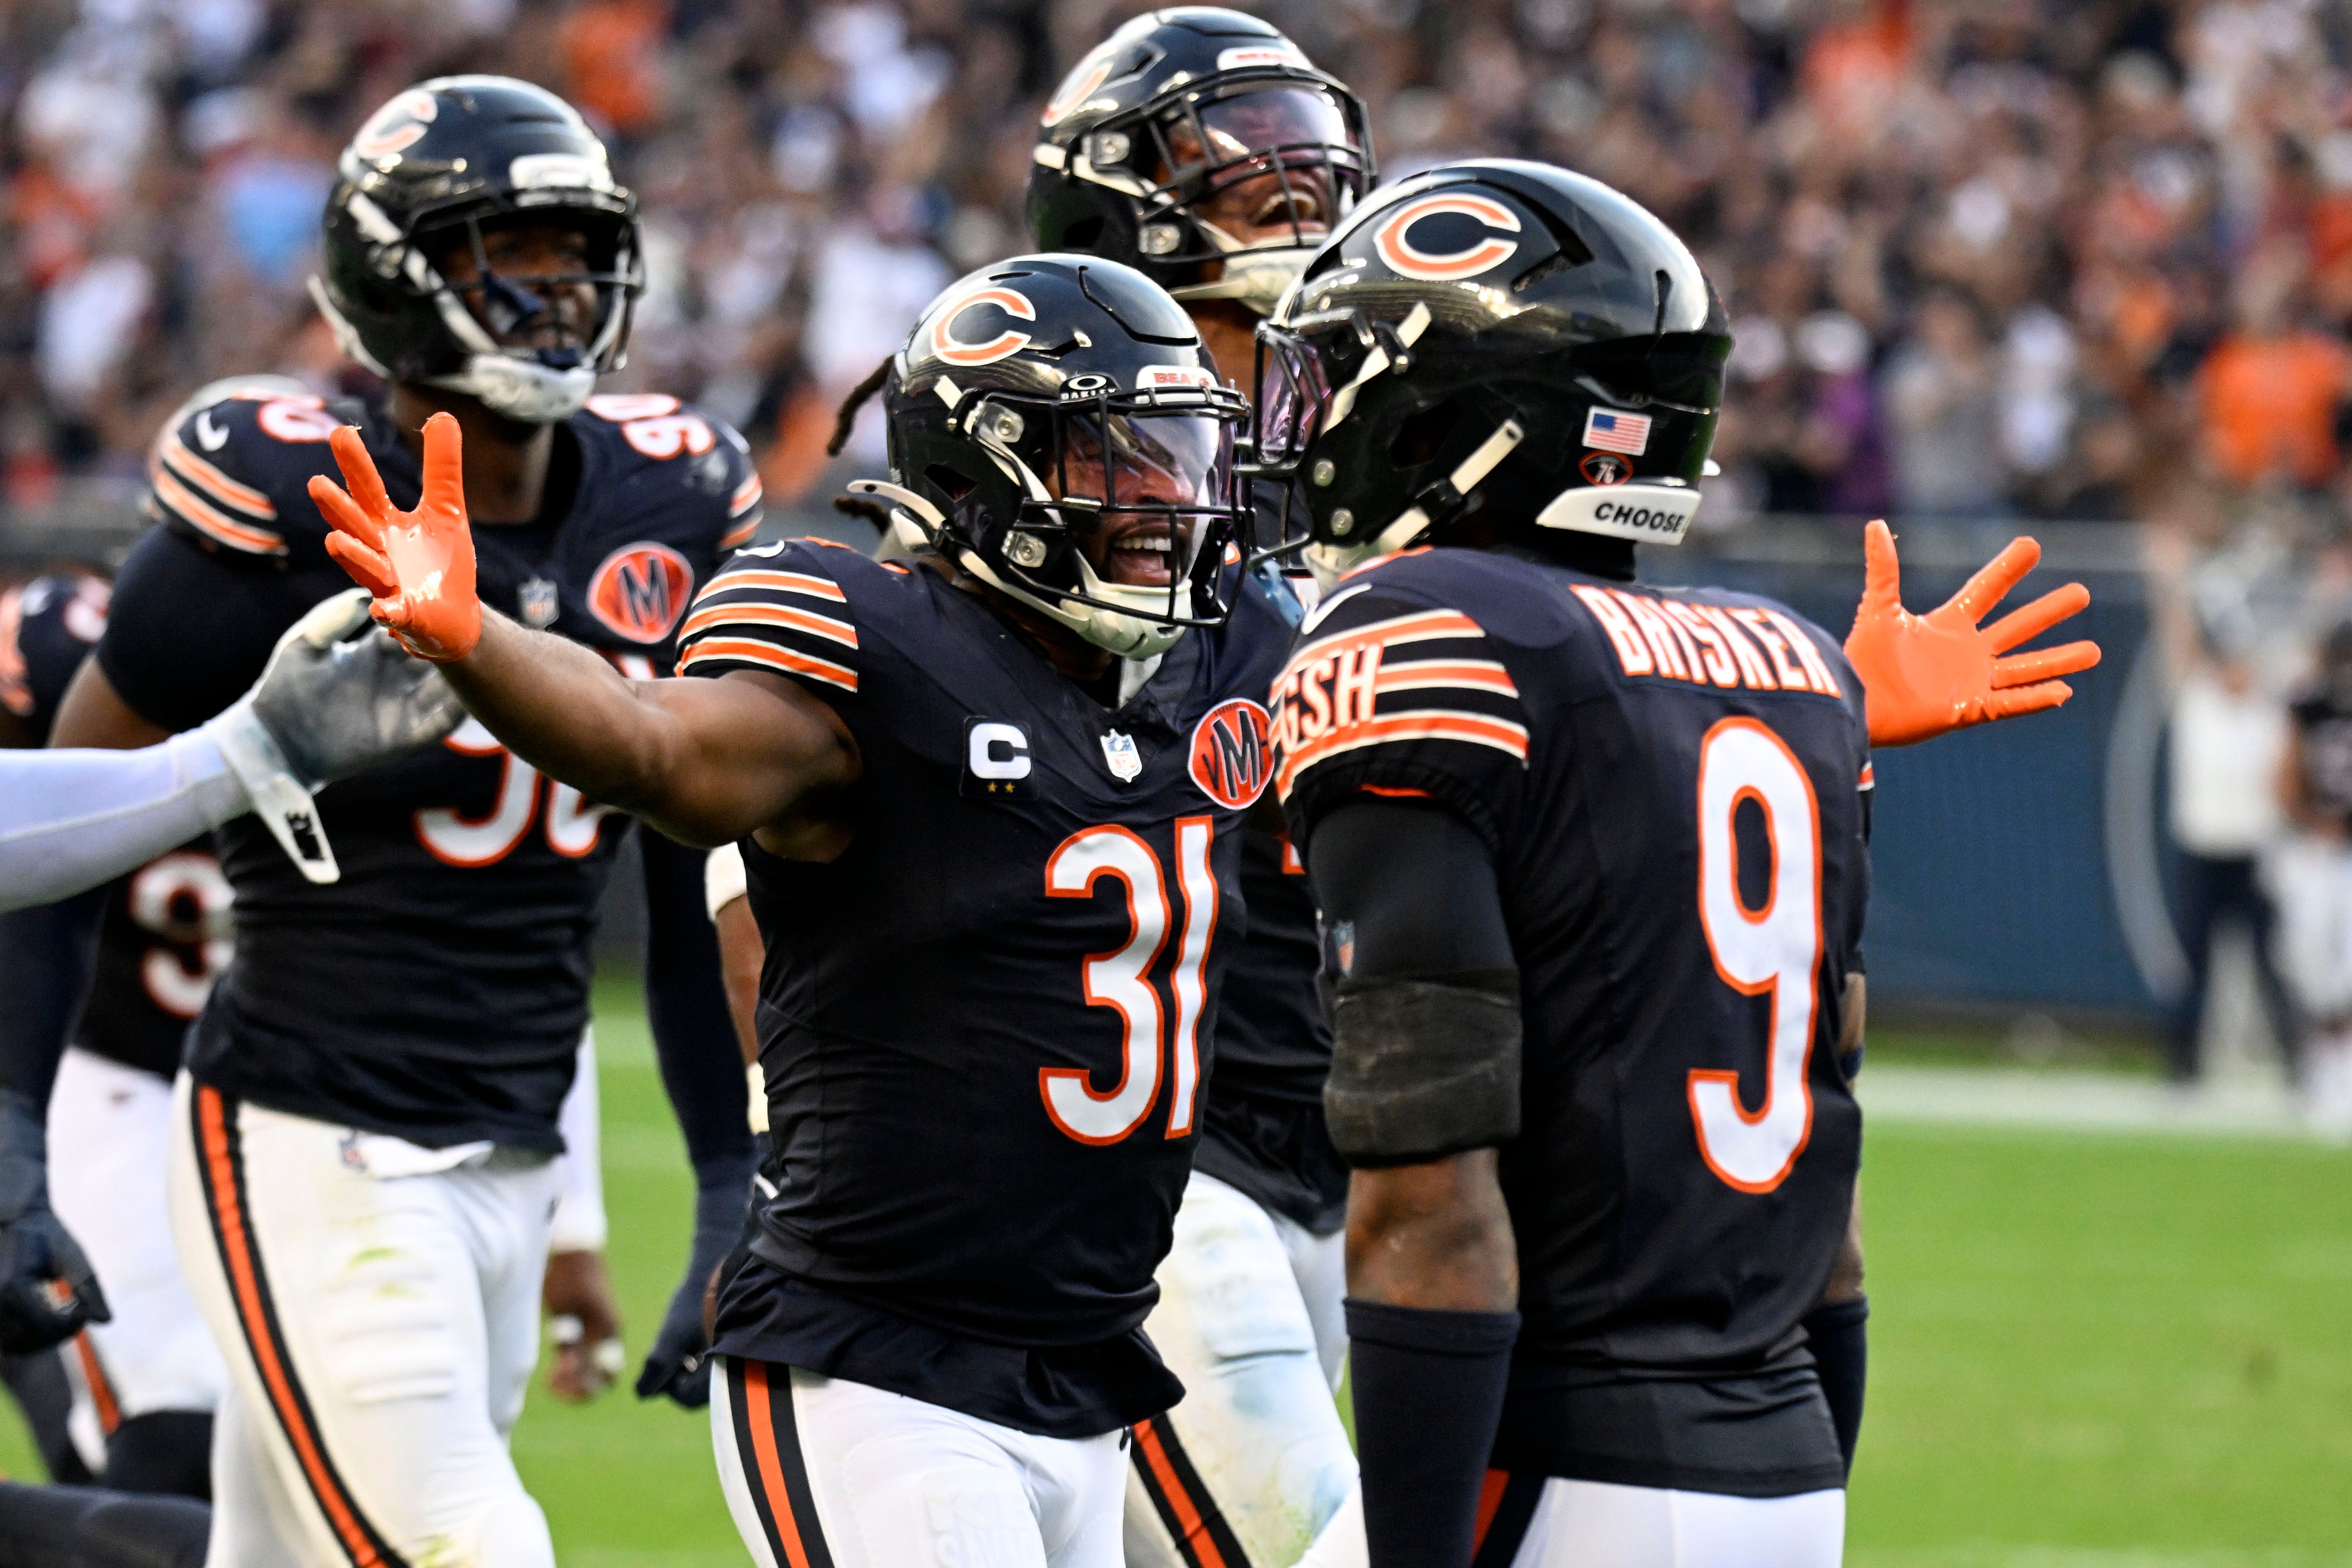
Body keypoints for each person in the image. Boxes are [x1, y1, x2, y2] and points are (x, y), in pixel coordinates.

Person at [312, 252, 1294, 1568]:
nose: (1164, 502)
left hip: (1090, 1362)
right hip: (880, 1362)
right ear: (987, 466)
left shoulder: (1214, 659)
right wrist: (479, 637)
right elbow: (653, 744)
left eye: (1180, 455)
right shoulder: (872, 639)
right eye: (1116, 459)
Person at [1247, 160, 2096, 1567]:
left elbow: (1428, 1202)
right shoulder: (1797, 672)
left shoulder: (1421, 632)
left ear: (1453, 411)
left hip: (1559, 1458)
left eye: (1339, 376)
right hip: (1777, 1460)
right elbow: (1830, 1217)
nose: (1313, 420)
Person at [44, 77, 754, 1566]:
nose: (559, 292)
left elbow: (699, 873)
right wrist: (5, 1128)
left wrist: (721, 1175)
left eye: (576, 251)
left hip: (505, 1148)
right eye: (512, 250)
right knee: (469, 1549)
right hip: (316, 1132)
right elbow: (67, 828)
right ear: (394, 271)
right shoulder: (287, 498)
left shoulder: (668, 501)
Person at [1028, 13, 1370, 1564]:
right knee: (1309, 1543)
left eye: (1306, 141)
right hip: (1154, 1143)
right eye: (1236, 154)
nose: (1294, 182)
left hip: (1340, 1138)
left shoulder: (1369, 438)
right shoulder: (1041, 458)